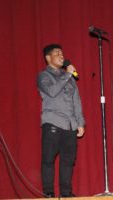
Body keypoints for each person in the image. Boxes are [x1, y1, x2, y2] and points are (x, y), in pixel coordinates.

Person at [37, 44, 85, 198]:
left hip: (70, 125)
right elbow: (51, 92)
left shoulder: (70, 78)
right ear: (48, 58)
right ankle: (49, 193)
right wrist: (67, 75)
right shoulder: (44, 76)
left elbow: (76, 101)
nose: (62, 56)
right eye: (57, 53)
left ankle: (66, 193)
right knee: (48, 159)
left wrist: (80, 122)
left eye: (62, 53)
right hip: (52, 122)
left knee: (68, 161)